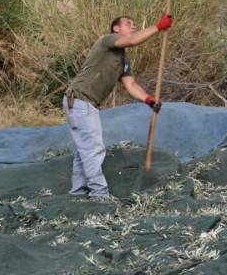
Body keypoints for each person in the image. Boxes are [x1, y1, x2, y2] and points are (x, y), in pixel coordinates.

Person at [64, 13, 173, 201]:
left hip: (87, 103)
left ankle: (78, 193)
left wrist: (149, 100)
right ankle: (100, 195)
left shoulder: (123, 60)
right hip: (79, 100)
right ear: (116, 29)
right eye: (128, 23)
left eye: (134, 24)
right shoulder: (107, 41)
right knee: (94, 148)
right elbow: (131, 40)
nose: (133, 26)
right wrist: (158, 27)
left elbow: (131, 85)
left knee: (85, 151)